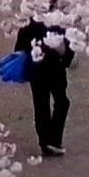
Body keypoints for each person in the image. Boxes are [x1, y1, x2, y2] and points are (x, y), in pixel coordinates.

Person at [15, 18, 75, 158]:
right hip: (46, 70)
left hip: (46, 70)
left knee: (50, 104)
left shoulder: (34, 23)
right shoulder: (55, 22)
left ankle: (49, 141)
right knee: (50, 104)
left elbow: (19, 48)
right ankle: (50, 142)